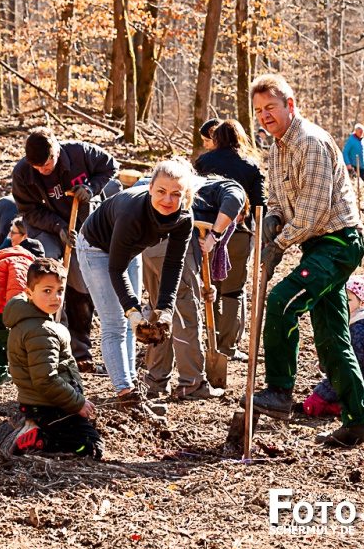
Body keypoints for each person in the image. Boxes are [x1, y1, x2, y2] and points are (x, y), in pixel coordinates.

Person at [244, 72, 364, 447]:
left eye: (271, 107)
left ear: (290, 106)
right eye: (259, 110)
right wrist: (272, 218)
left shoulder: (310, 142)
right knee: (333, 338)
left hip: (337, 244)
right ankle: (358, 423)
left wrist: (278, 245)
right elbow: (282, 200)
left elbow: (314, 211)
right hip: (316, 247)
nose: (265, 116)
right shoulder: (276, 147)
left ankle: (280, 392)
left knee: (282, 301)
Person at [76, 158, 195, 409]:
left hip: (129, 251)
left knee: (138, 322)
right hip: (96, 247)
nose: (168, 200)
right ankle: (126, 393)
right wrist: (131, 310)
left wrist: (165, 309)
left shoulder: (184, 219)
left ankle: (131, 385)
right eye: (161, 191)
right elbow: (115, 268)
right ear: (150, 187)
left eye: (176, 194)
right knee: (117, 322)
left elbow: (173, 265)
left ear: (185, 196)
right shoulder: (132, 213)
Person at [11, 127, 118, 372]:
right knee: (47, 276)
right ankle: (50, 346)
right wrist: (58, 226)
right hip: (48, 228)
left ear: (57, 151)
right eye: (37, 167)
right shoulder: (22, 172)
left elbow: (111, 167)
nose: (42, 171)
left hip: (83, 226)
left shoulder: (80, 152)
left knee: (80, 285)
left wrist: (91, 188)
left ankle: (80, 352)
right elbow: (28, 211)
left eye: (46, 166)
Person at [142, 176, 246, 399]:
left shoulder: (182, 185)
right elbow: (235, 198)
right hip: (174, 244)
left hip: (147, 245)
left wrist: (201, 287)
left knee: (160, 310)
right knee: (185, 314)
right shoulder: (228, 187)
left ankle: (156, 380)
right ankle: (192, 383)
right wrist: (214, 236)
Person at [2, 258, 104, 459]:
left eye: (59, 291)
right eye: (47, 291)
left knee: (81, 436)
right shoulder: (40, 331)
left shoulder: (32, 321)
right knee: (90, 447)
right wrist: (77, 403)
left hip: (43, 402)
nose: (55, 297)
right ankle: (38, 437)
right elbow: (45, 379)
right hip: (48, 405)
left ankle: (40, 430)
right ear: (29, 293)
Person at [195, 119, 267, 361]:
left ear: (217, 139)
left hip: (207, 231)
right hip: (238, 232)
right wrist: (263, 234)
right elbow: (260, 205)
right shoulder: (251, 166)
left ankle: (212, 341)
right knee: (233, 290)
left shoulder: (204, 162)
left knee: (210, 286)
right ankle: (227, 347)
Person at [303, 275, 364, 417]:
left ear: (362, 303)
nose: (343, 303)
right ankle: (357, 403)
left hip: (351, 382)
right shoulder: (353, 323)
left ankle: (348, 407)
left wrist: (322, 392)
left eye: (349, 299)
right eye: (340, 299)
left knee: (311, 406)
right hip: (350, 381)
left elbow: (346, 368)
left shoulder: (360, 331)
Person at [0, 243, 44, 387]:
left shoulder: (7, 258)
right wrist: (17, 315)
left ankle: (0, 377)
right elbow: (16, 289)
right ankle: (31, 379)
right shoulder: (23, 261)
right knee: (12, 343)